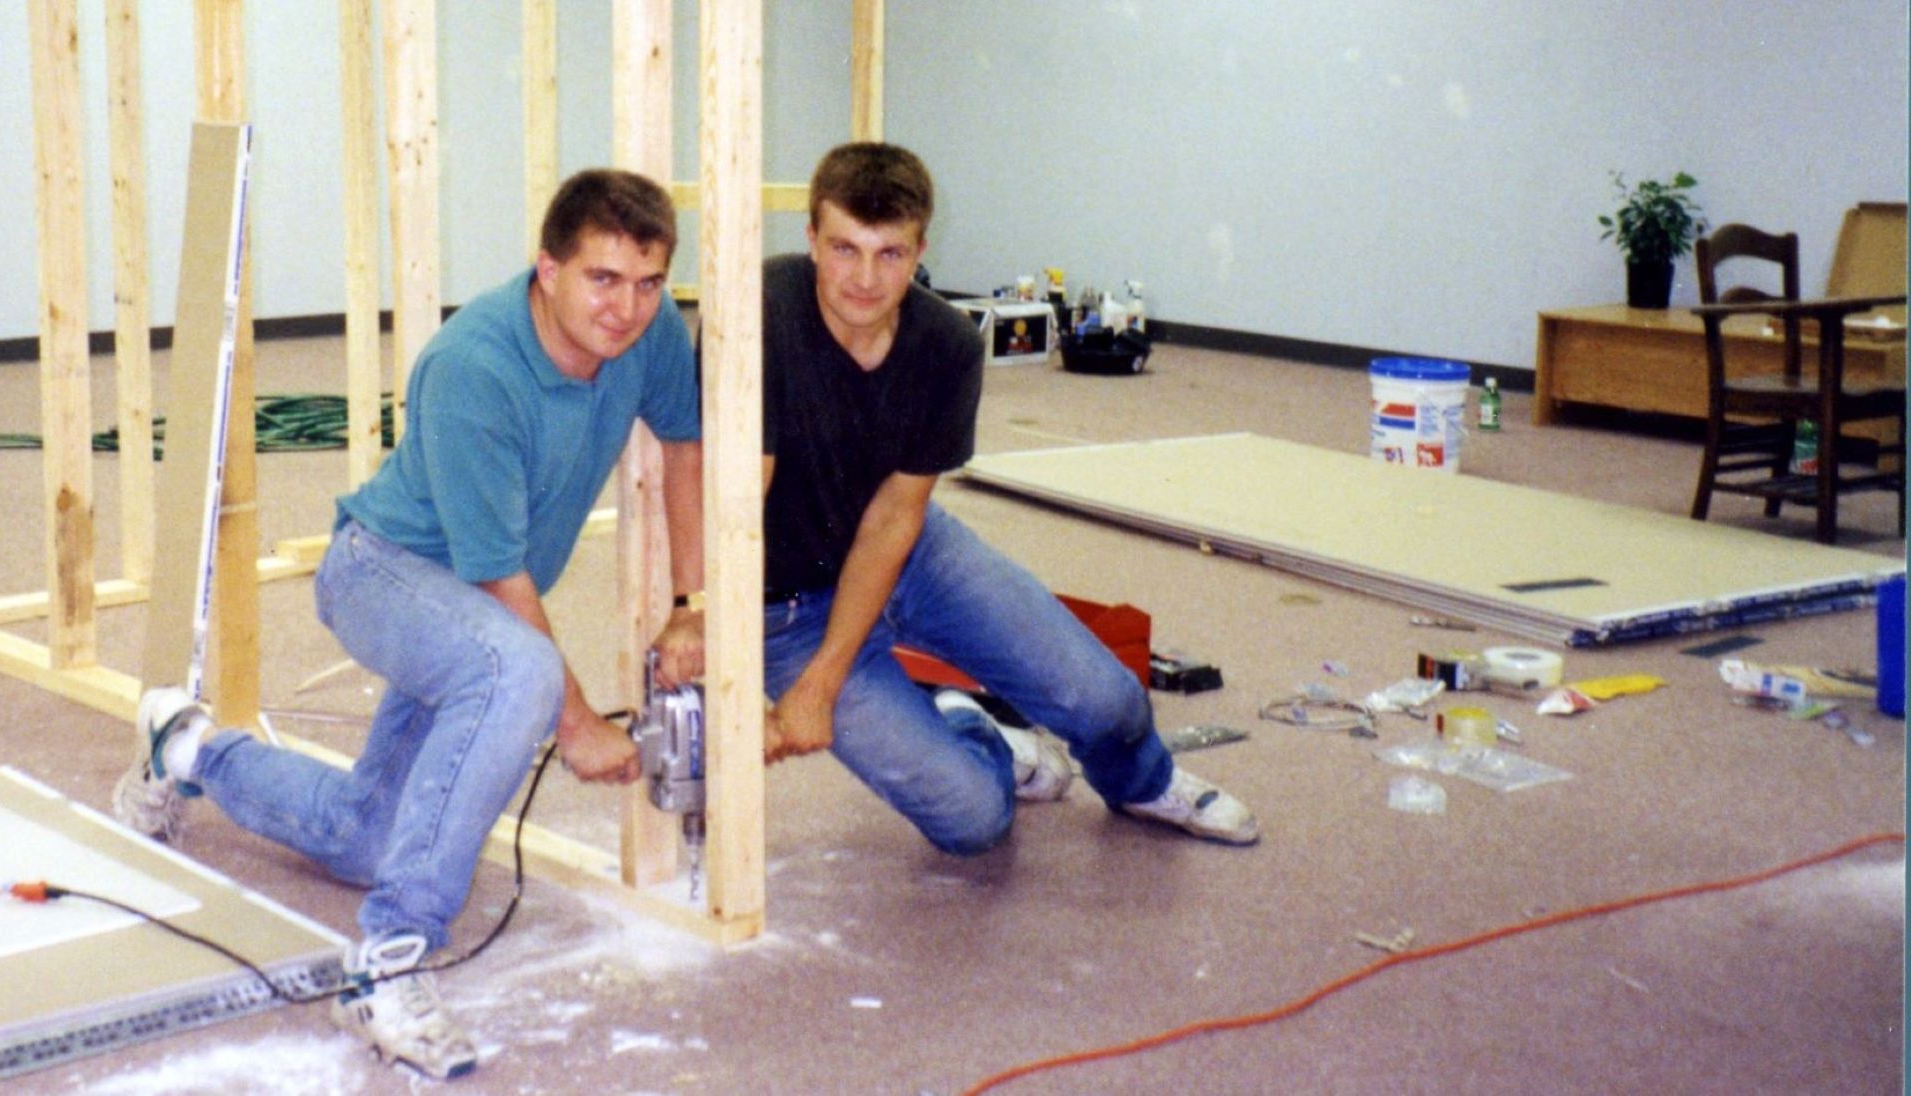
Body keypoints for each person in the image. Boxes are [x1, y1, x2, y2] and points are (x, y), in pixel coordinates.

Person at [112, 168, 706, 1082]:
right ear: (545, 269)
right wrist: (577, 723)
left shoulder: (652, 332)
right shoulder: (475, 369)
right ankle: (387, 963)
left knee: (366, 837)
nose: (627, 309)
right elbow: (498, 577)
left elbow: (686, 445)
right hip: (382, 573)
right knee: (518, 674)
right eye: (602, 279)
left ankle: (186, 750)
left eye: (648, 282)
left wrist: (690, 605)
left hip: (470, 606)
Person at [749, 141, 1256, 857]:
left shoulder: (947, 345)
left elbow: (897, 518)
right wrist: (748, 648)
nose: (864, 278)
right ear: (810, 241)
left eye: (889, 254)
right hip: (787, 604)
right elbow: (739, 501)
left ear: (921, 247)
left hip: (910, 550)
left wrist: (821, 687)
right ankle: (972, 727)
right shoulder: (761, 313)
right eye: (844, 249)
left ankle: (1142, 783)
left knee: (1106, 701)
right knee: (974, 820)